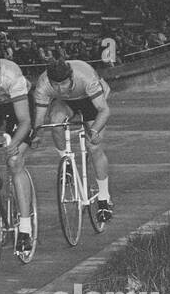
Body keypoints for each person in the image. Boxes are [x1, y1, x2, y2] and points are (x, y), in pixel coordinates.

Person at [29, 56, 114, 223]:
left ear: (71, 77)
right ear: (50, 81)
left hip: (91, 99)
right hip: (66, 102)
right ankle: (66, 161)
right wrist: (37, 134)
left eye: (64, 83)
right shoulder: (43, 83)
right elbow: (39, 119)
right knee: (55, 121)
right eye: (56, 85)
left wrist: (95, 130)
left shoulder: (85, 76)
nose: (60, 88)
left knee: (94, 146)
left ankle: (104, 199)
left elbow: (104, 110)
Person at [0, 49, 38, 261]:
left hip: (15, 105)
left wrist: (16, 143)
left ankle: (25, 228)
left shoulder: (12, 76)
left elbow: (25, 121)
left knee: (14, 161)